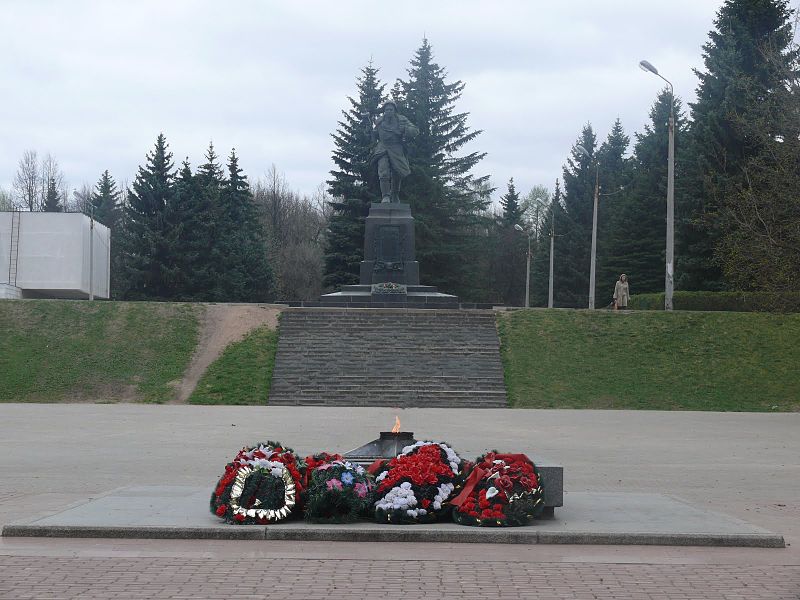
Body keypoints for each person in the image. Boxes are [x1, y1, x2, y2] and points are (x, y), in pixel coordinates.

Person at [367, 101, 419, 203]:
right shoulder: (379, 122)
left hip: (396, 148)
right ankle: (385, 196)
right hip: (382, 148)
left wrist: (405, 129)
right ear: (384, 111)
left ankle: (394, 194)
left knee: (397, 173)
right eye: (386, 110)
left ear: (394, 110)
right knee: (383, 171)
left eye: (391, 109)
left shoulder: (402, 120)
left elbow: (415, 130)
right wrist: (370, 132)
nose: (389, 111)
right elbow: (374, 135)